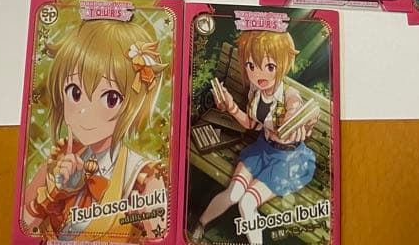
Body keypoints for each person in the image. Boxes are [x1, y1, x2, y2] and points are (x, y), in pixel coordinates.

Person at [24, 17, 168, 241]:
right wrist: (52, 194)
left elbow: (162, 238)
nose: (84, 112)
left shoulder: (142, 177)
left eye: (111, 98)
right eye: (75, 92)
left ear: (135, 104)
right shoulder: (58, 160)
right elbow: (23, 228)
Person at [192, 29, 319, 245]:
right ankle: (200, 224)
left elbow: (299, 107)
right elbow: (251, 124)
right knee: (234, 193)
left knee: (247, 202)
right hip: (262, 149)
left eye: (269, 67)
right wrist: (231, 107)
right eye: (251, 66)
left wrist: (300, 120)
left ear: (282, 64)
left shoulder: (288, 94)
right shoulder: (256, 93)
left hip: (287, 161)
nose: (259, 74)